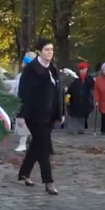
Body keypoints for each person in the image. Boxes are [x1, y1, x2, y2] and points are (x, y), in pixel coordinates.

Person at [16, 38, 65, 194]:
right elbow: (23, 93)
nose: (49, 52)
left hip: (50, 113)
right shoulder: (31, 69)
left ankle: (24, 172)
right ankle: (48, 181)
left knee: (37, 144)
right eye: (46, 49)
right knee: (43, 146)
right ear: (39, 51)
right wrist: (20, 114)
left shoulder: (53, 67)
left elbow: (58, 91)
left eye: (51, 49)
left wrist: (61, 112)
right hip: (34, 113)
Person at [13, 52, 36, 152]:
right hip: (22, 102)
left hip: (31, 103)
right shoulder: (21, 76)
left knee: (27, 125)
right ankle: (24, 142)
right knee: (23, 124)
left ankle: (24, 143)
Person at [65, 62, 95, 134]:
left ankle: (81, 129)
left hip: (85, 100)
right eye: (81, 69)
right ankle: (72, 129)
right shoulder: (75, 78)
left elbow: (93, 88)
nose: (82, 71)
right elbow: (70, 89)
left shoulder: (89, 79)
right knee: (73, 115)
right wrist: (68, 97)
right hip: (75, 100)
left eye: (84, 69)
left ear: (86, 69)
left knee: (83, 115)